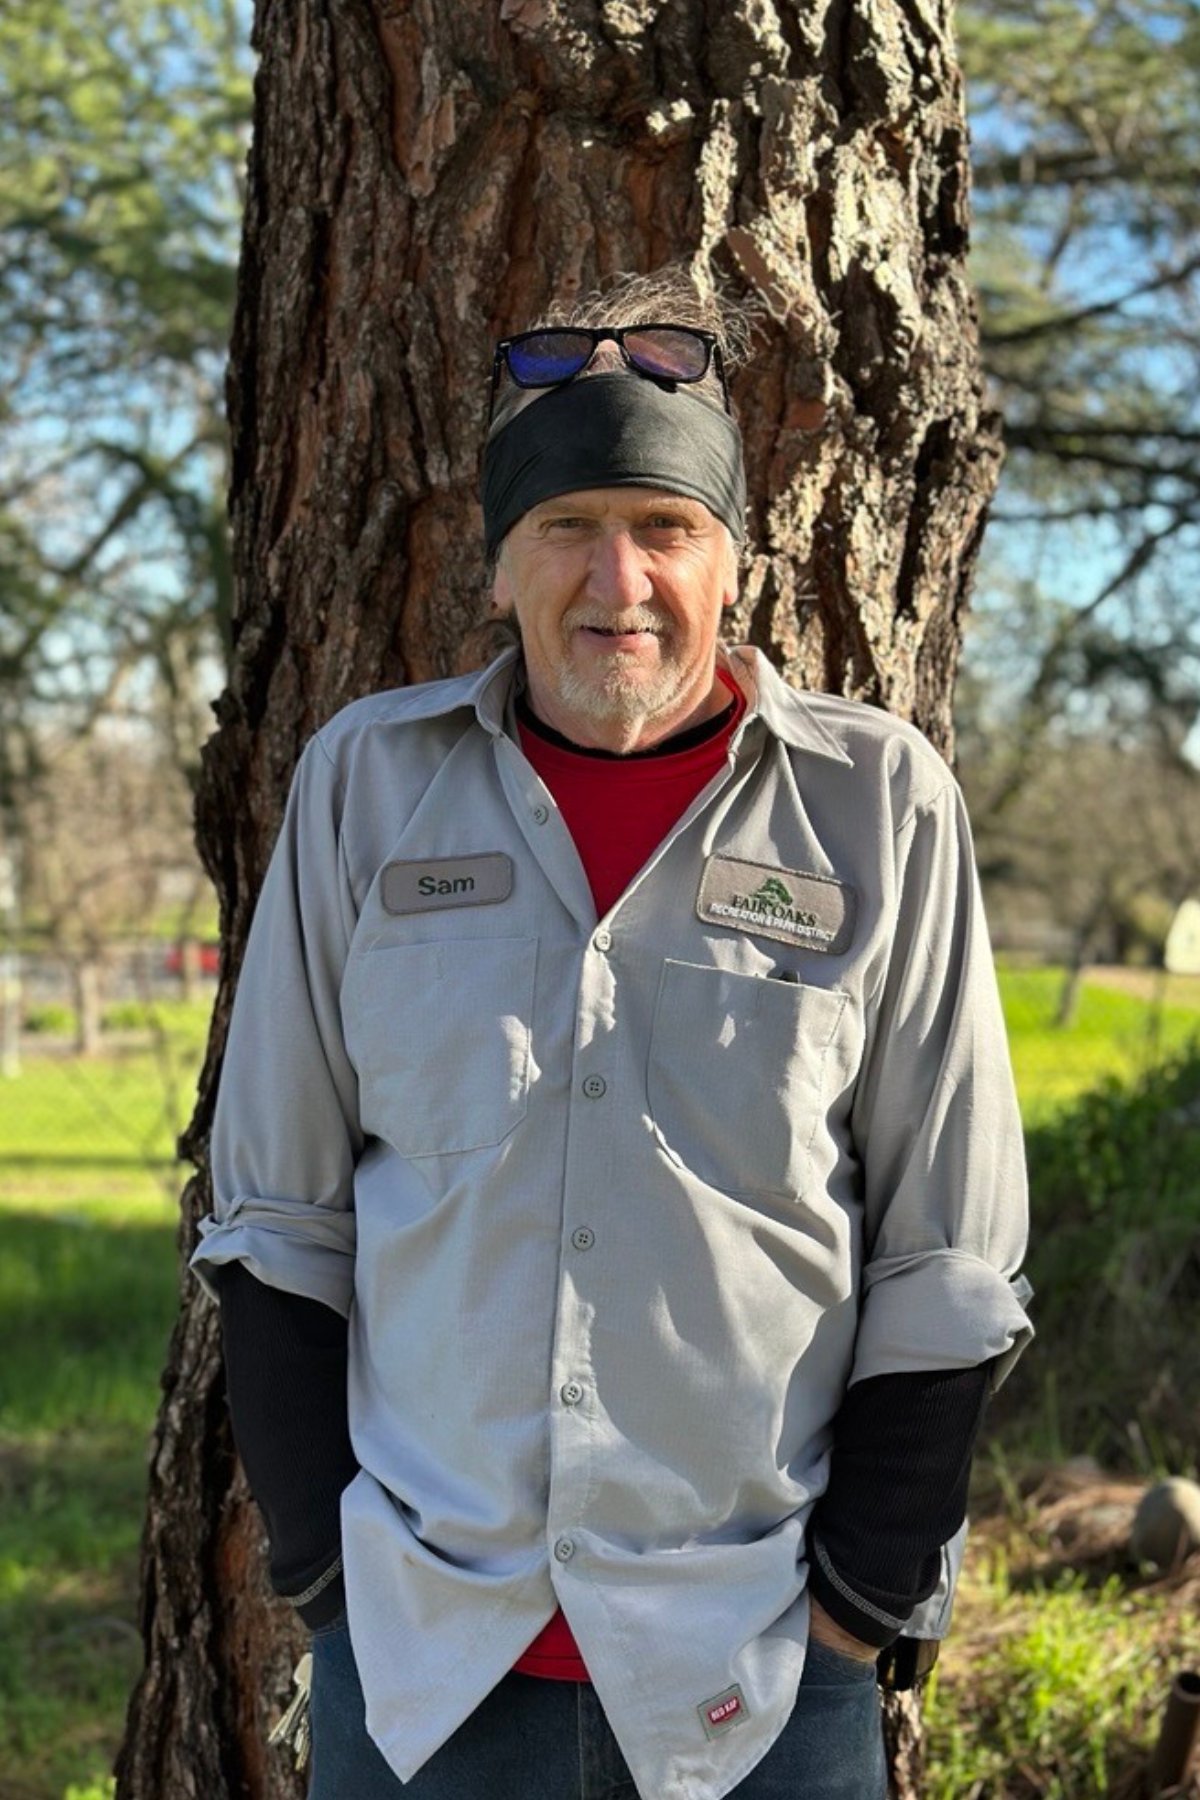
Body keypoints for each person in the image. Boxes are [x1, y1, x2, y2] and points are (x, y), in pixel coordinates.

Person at [191, 268, 1033, 1800]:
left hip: (761, 1675)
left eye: (664, 527)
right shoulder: (365, 791)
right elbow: (275, 1219)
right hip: (428, 1673)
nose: (618, 578)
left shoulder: (879, 808)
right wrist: (326, 1583)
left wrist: (854, 1612)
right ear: (500, 566)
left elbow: (950, 1258)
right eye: (567, 526)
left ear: (732, 561)